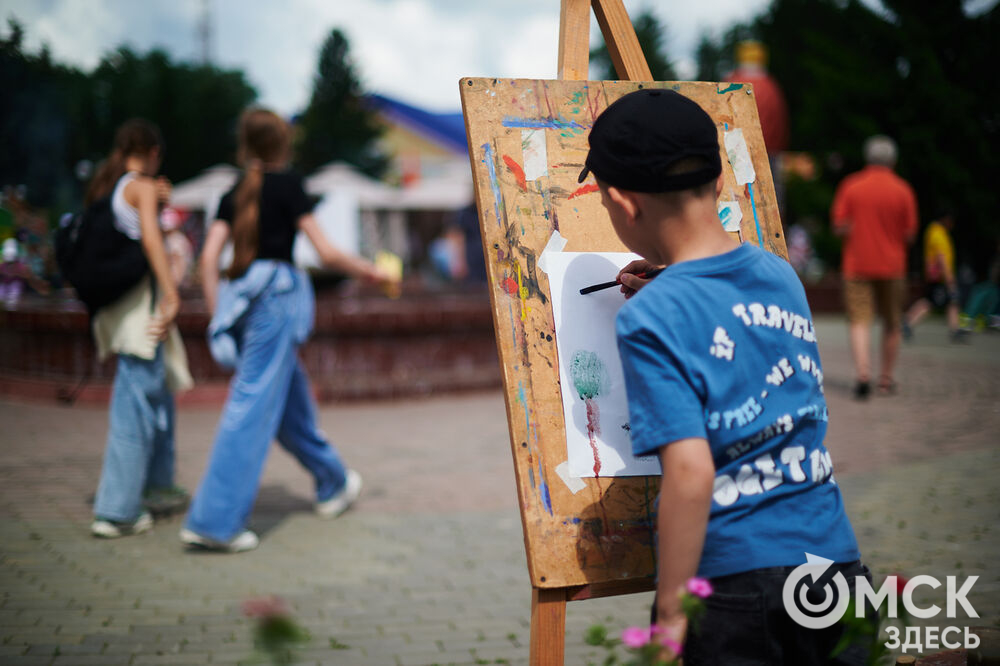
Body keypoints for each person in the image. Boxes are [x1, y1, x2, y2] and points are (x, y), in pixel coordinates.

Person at [581, 89, 868, 663]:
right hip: (835, 565)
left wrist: (668, 619)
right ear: (716, 183)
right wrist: (673, 283)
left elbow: (690, 474)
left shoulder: (649, 319)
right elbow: (736, 325)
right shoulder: (781, 275)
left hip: (738, 587)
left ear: (623, 203)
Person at [182, 108, 395, 553]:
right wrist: (370, 273)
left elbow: (207, 261)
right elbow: (326, 252)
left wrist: (217, 318)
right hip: (275, 304)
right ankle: (214, 521)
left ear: (246, 145)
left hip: (241, 304)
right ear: (283, 144)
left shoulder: (234, 192)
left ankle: (332, 481)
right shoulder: (289, 185)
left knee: (288, 403)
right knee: (251, 406)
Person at [88, 119, 194, 538]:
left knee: (157, 396)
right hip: (142, 313)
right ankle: (117, 510)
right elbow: (152, 241)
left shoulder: (114, 186)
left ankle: (157, 485)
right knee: (134, 410)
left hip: (128, 310)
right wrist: (172, 295)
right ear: (153, 153)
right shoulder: (141, 186)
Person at [831, 135, 918, 399]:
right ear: (893, 160)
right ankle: (885, 379)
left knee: (859, 320)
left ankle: (863, 373)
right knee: (892, 322)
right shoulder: (903, 190)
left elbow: (838, 226)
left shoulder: (851, 186)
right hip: (893, 266)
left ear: (867, 158)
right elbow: (910, 235)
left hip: (857, 264)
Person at [903, 211, 968, 343]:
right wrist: (949, 277)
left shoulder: (934, 231)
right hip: (940, 277)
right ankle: (908, 322)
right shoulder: (937, 233)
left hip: (938, 276)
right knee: (930, 302)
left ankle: (954, 330)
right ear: (946, 219)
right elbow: (941, 256)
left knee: (951, 301)